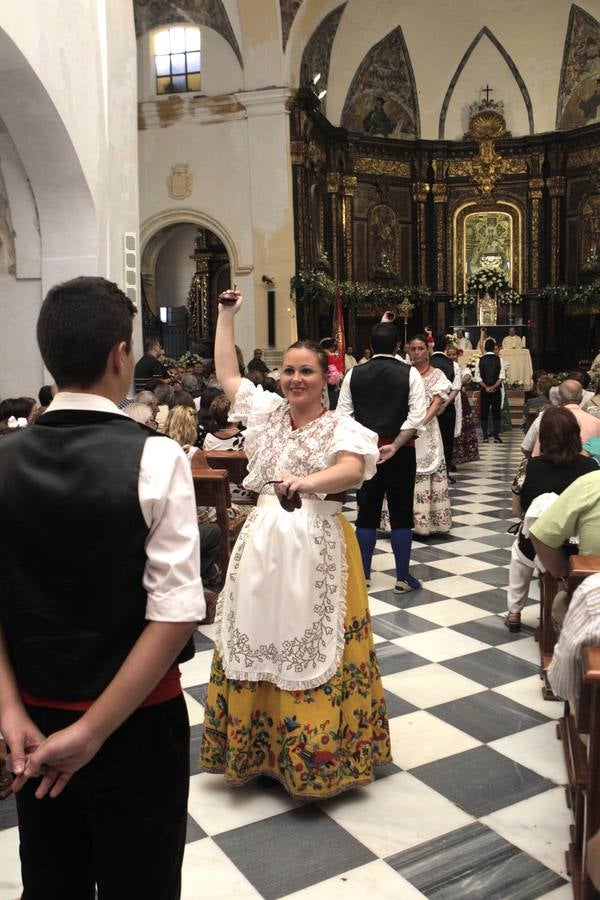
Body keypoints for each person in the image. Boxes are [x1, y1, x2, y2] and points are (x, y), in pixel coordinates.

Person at [0, 276, 204, 898]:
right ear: (121, 355)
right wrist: (92, 732)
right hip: (134, 723)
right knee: (138, 884)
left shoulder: (2, 459)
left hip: (32, 724)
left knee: (52, 882)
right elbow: (174, 615)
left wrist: (8, 709)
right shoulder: (157, 456)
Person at [199, 290, 392, 798]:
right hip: (263, 541)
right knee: (258, 632)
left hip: (317, 542)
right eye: (288, 371)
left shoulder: (341, 426)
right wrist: (225, 317)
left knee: (313, 640)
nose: (294, 380)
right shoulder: (264, 413)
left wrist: (309, 482)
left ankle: (319, 757)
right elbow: (227, 375)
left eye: (305, 371)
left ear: (326, 377)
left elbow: (352, 468)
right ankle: (256, 750)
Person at [337, 322, 427, 592]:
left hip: (366, 453)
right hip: (401, 452)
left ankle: (364, 575)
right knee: (401, 513)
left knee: (366, 513)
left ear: (371, 347)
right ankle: (402, 578)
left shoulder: (354, 373)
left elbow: (342, 416)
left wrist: (365, 443)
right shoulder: (410, 373)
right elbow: (417, 416)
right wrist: (397, 444)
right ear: (399, 346)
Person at [506, 407, 597, 632]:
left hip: (535, 548)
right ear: (575, 435)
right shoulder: (591, 467)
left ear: (543, 437)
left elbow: (516, 511)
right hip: (575, 549)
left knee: (518, 554)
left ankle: (514, 610)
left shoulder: (529, 467)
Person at [409, 334, 452, 536]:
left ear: (428, 350)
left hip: (428, 430)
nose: (416, 352)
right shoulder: (405, 373)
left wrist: (421, 423)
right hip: (407, 429)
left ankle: (430, 521)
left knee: (429, 467)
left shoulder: (438, 375)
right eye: (413, 349)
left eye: (420, 348)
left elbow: (436, 404)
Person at [522, 380, 600, 457]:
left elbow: (526, 448)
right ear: (581, 398)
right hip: (587, 468)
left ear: (560, 398)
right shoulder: (596, 422)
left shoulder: (545, 417)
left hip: (548, 466)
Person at [430, 336, 461, 482]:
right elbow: (456, 388)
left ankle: (429, 472)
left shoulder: (427, 362)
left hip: (428, 408)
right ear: (445, 348)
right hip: (447, 409)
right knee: (446, 440)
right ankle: (445, 473)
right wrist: (444, 404)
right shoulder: (453, 364)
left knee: (430, 439)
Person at [448, 344, 480, 465]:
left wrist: (458, 383)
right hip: (448, 401)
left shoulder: (462, 368)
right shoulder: (443, 368)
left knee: (461, 426)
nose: (451, 357)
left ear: (458, 355)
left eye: (453, 355)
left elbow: (467, 376)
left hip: (461, 401)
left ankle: (458, 456)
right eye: (449, 355)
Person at [474, 337, 504, 443]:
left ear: (485, 348)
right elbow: (501, 376)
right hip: (496, 390)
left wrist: (486, 387)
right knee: (496, 412)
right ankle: (496, 436)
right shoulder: (499, 359)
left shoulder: (480, 360)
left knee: (484, 412)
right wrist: (494, 387)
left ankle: (485, 436)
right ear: (494, 347)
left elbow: (477, 377)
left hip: (484, 390)